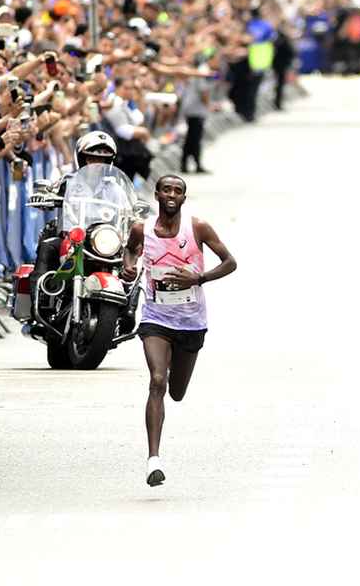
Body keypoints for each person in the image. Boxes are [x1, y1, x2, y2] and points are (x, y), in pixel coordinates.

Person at [121, 174, 237, 487]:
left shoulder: (197, 227)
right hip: (156, 318)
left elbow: (230, 262)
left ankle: (176, 367)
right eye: (167, 189)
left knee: (176, 392)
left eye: (179, 191)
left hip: (191, 321)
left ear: (183, 198)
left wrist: (198, 279)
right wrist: (129, 266)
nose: (172, 194)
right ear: (157, 194)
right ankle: (153, 461)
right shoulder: (141, 229)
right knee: (157, 381)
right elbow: (130, 251)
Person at [29, 132, 128, 304]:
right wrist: (45, 199)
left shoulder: (115, 188)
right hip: (71, 239)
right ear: (82, 159)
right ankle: (41, 300)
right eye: (92, 159)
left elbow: (127, 211)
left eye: (102, 160)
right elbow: (50, 192)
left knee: (128, 261)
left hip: (103, 243)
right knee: (47, 247)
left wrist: (132, 215)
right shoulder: (67, 182)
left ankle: (128, 305)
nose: (97, 164)